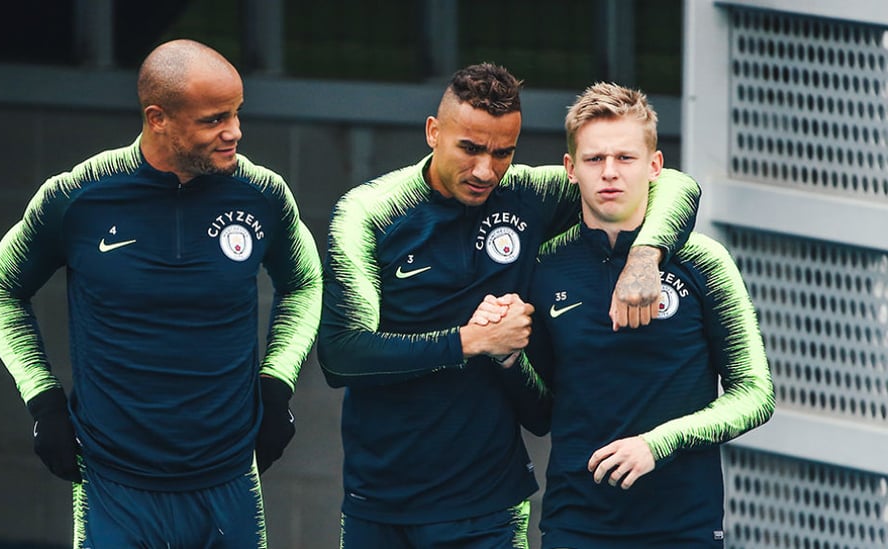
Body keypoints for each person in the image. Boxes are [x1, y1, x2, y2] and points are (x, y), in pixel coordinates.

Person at [317, 63, 702, 548]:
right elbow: (341, 354)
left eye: (503, 152)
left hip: (489, 506)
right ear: (433, 132)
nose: (485, 171)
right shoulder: (369, 211)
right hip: (381, 500)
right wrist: (469, 342)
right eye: (470, 149)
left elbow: (673, 183)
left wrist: (646, 255)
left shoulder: (524, 193)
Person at [0, 39, 322, 548]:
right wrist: (44, 403)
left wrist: (277, 388)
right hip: (112, 484)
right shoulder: (77, 197)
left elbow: (304, 283)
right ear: (157, 118)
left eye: (237, 113)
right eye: (213, 120)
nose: (235, 133)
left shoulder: (264, 194)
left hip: (229, 480)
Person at [525, 82, 775, 548]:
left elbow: (755, 394)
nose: (610, 173)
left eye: (625, 158)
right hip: (575, 522)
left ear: (655, 166)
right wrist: (503, 357)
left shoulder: (705, 261)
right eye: (595, 159)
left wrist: (657, 444)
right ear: (570, 169)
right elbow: (541, 411)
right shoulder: (545, 266)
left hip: (683, 525)